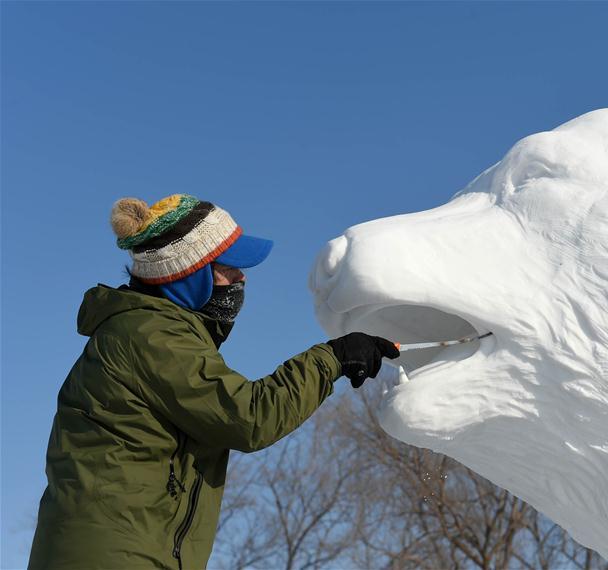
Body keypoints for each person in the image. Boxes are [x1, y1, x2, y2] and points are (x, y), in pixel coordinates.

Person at [28, 195, 399, 569]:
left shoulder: (147, 329)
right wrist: (333, 358)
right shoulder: (151, 335)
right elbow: (250, 417)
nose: (242, 278)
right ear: (190, 275)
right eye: (230, 267)